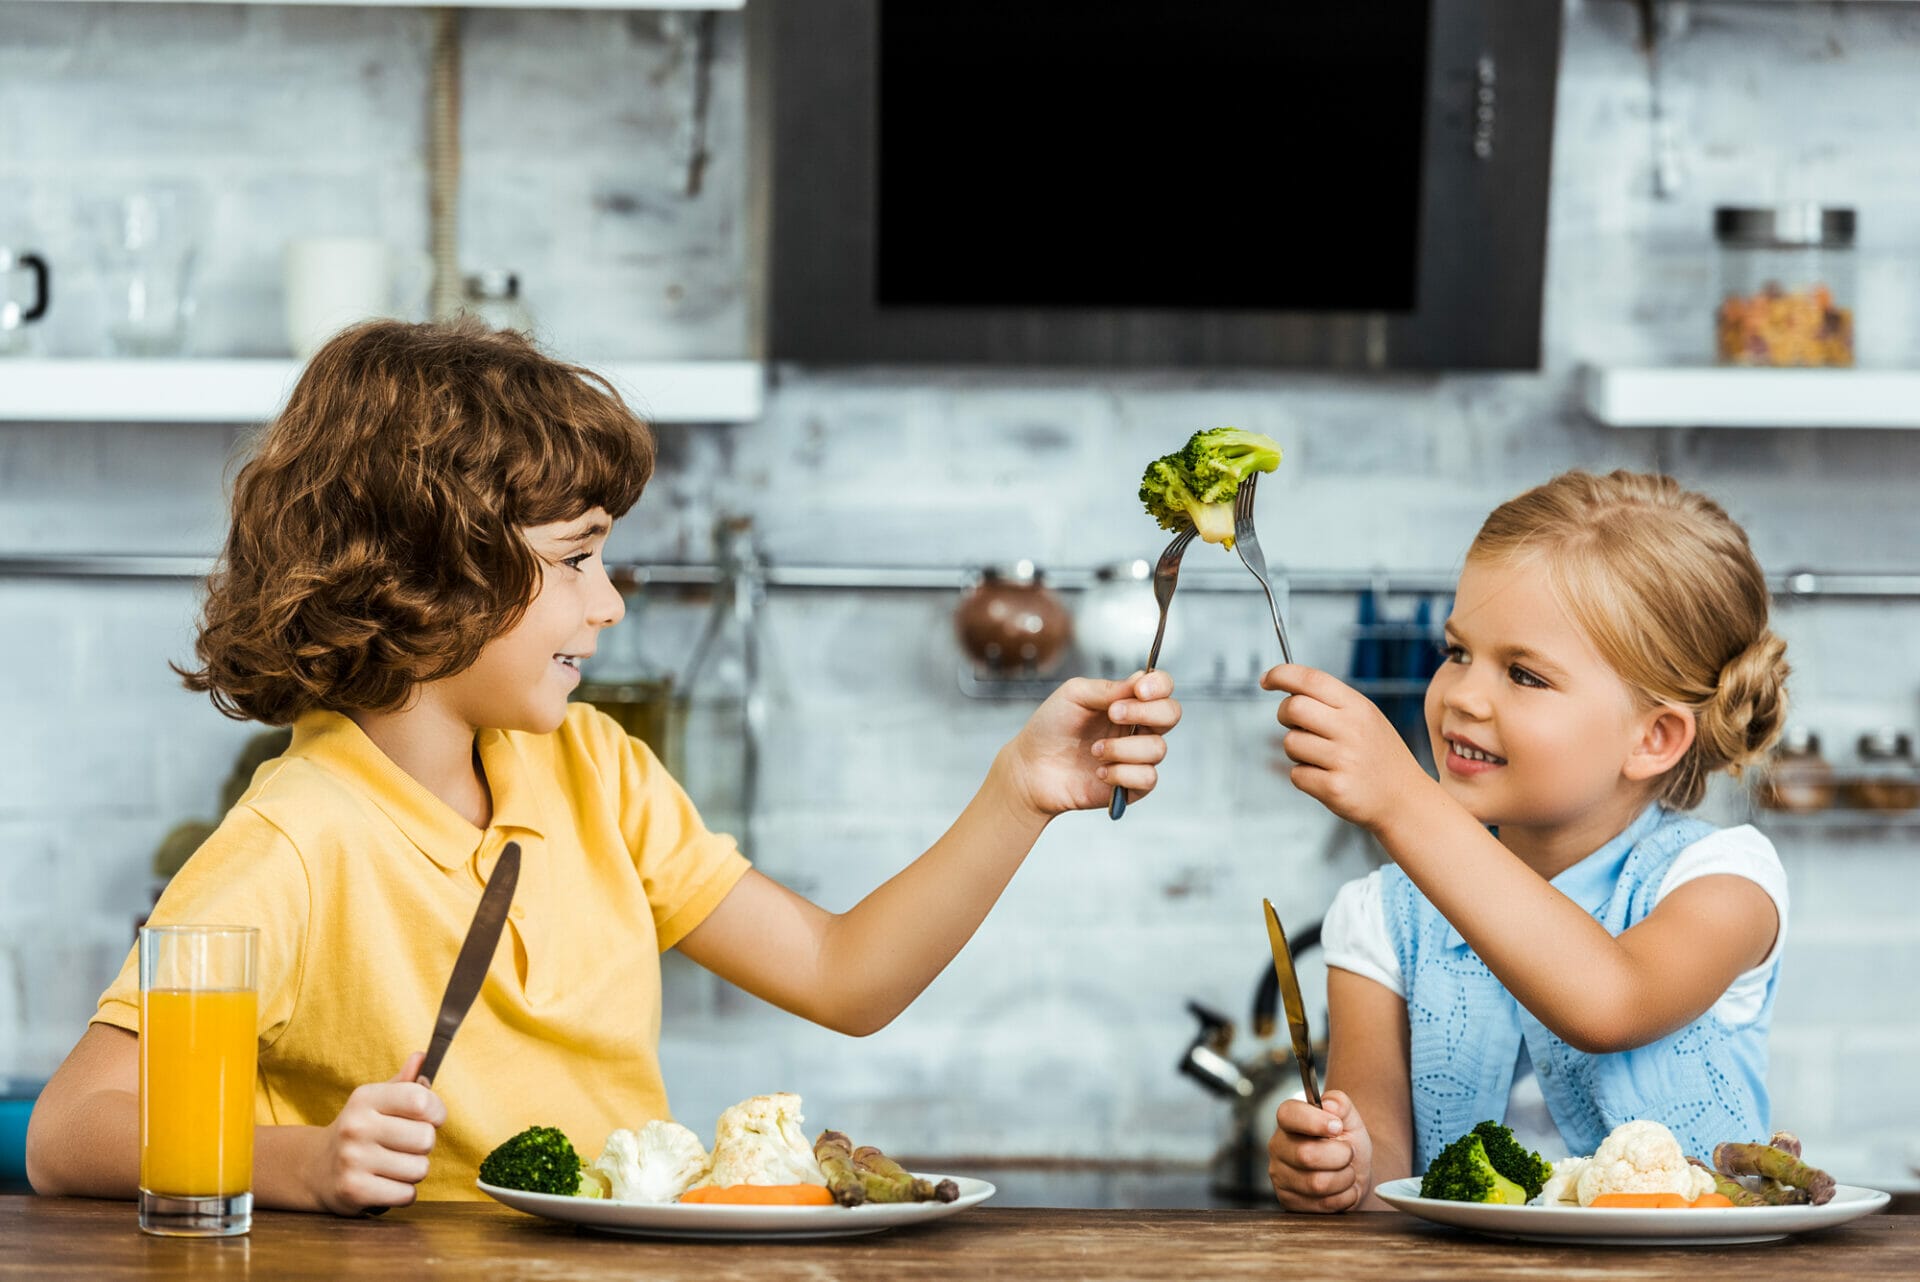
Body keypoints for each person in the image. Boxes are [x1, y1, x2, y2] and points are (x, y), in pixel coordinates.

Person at [25, 318, 1182, 1213]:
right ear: (432, 572)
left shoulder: (592, 767)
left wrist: (1021, 792)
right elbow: (71, 1128)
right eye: (576, 559)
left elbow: (845, 977)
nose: (611, 602)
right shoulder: (297, 841)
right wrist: (296, 1160)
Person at [1261, 470, 1790, 1211]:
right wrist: (1342, 1167)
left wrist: (1402, 798)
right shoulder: (1381, 917)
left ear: (1654, 737)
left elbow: (1611, 1001)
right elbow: (1384, 1180)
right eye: (1456, 653)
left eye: (1524, 675)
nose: (1463, 697)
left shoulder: (1723, 882)